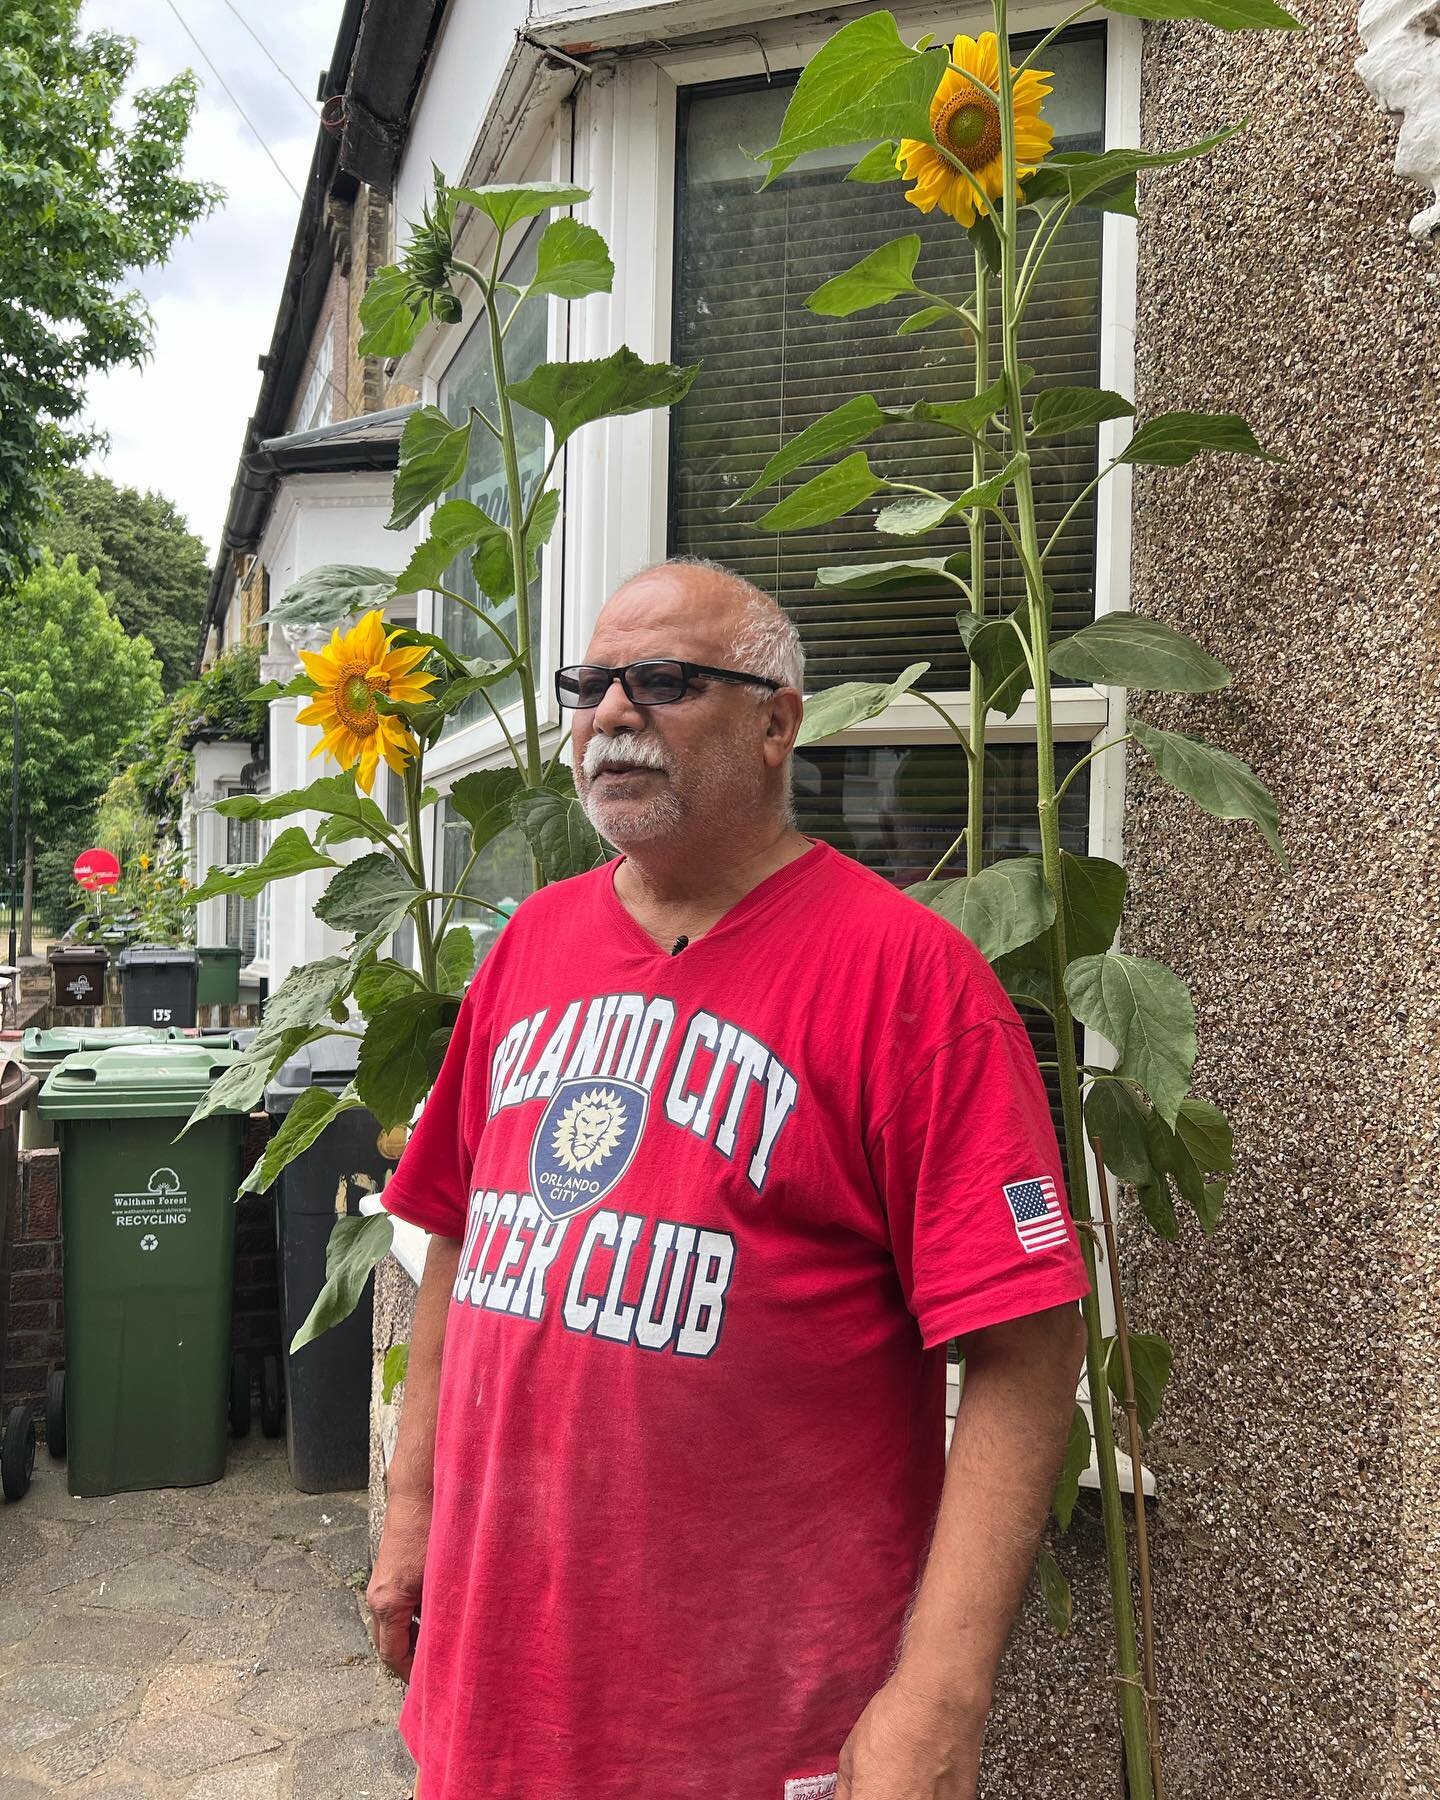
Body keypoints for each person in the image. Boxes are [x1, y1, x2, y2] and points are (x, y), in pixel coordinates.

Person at [369, 557, 1091, 1800]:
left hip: (751, 1728)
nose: (609, 714)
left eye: (662, 680)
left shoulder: (913, 986)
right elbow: (455, 1239)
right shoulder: (529, 946)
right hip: (493, 1692)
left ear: (777, 723)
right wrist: (409, 1519)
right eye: (589, 684)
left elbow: (1031, 1348)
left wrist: (940, 1695)